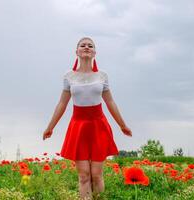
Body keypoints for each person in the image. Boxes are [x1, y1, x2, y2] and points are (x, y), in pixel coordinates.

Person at [42, 37, 132, 200]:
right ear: (76, 52)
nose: (86, 47)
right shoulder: (69, 76)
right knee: (83, 175)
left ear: (94, 53)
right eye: (82, 45)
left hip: (98, 126)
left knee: (96, 174)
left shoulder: (102, 76)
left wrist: (122, 125)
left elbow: (110, 101)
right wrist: (50, 127)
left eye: (90, 45)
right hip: (78, 126)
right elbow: (62, 103)